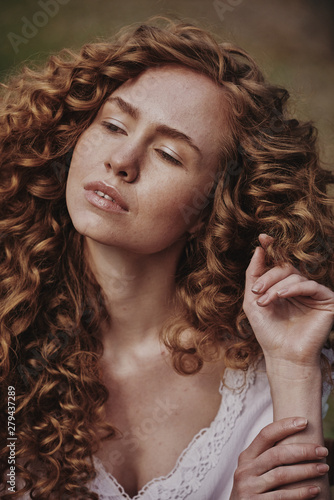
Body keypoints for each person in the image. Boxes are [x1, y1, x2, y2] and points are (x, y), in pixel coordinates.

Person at [0, 18, 333, 500]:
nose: (122, 160)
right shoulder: (10, 335)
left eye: (169, 155)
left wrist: (293, 365)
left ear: (213, 208)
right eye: (113, 125)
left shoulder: (268, 365)